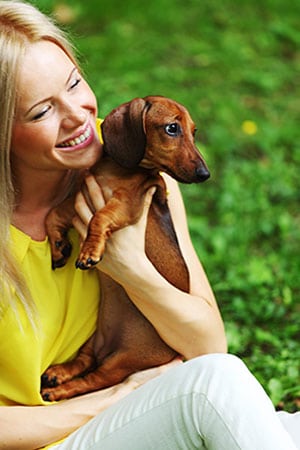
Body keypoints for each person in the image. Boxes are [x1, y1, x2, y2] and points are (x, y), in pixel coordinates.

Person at [0, 1, 299, 449]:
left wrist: (130, 267)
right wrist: (118, 396)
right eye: (42, 112)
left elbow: (206, 344)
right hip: (47, 438)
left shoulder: (135, 162)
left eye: (74, 84)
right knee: (214, 389)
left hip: (127, 418)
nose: (79, 117)